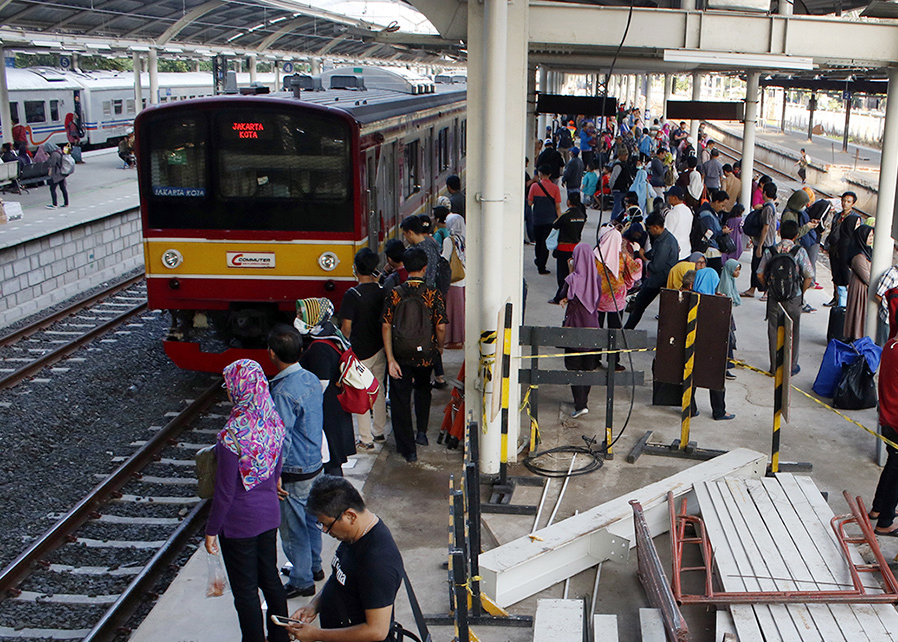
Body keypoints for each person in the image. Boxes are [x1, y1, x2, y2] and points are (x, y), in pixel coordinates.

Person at [204, 359, 289, 642]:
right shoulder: (274, 422)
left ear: (240, 388)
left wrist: (211, 530)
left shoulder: (232, 436)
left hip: (239, 525)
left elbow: (225, 491)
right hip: (269, 516)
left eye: (230, 386)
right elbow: (276, 472)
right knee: (271, 579)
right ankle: (281, 636)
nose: (228, 391)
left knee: (246, 590)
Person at [284, 475, 403, 642]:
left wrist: (316, 635)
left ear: (350, 516)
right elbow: (339, 576)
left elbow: (376, 631)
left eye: (327, 524)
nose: (325, 530)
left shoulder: (378, 562)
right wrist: (314, 606)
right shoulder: (353, 535)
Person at [268, 325, 326, 600]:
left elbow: (282, 437)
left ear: (272, 354)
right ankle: (314, 567)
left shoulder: (282, 392)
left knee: (293, 528)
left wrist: (275, 473)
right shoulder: (311, 379)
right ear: (301, 351)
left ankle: (301, 579)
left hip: (293, 469)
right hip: (315, 461)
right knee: (312, 519)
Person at [382, 247, 448, 463]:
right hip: (425, 354)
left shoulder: (395, 293)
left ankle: (407, 449)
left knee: (400, 398)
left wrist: (390, 359)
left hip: (400, 354)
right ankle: (421, 433)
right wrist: (438, 348)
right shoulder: (433, 294)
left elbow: (386, 326)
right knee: (422, 390)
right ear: (425, 268)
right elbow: (440, 327)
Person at [295, 298, 356, 476]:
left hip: (326, 409)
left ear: (314, 316)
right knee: (334, 456)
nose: (297, 317)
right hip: (335, 405)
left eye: (301, 314)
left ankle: (337, 499)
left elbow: (320, 383)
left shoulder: (318, 347)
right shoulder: (331, 335)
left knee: (330, 459)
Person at [340, 249, 387, 449]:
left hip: (360, 352)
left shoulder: (352, 295)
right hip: (380, 348)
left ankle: (365, 439)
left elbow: (347, 327)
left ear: (356, 269)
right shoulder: (381, 290)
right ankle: (379, 431)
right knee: (378, 389)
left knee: (361, 392)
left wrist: (344, 346)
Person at [758, 220, 813, 376]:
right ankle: (791, 366)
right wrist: (800, 292)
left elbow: (760, 274)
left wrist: (769, 288)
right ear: (796, 235)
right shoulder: (799, 251)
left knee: (773, 330)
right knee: (793, 331)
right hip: (793, 298)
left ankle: (775, 366)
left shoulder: (771, 251)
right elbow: (809, 276)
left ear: (779, 232)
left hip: (775, 298)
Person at [559, 243, 602, 417]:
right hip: (593, 327)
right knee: (587, 366)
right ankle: (583, 400)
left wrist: (571, 270)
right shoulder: (597, 278)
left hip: (575, 327)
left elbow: (561, 295)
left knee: (574, 366)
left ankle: (580, 403)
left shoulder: (573, 280)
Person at [594, 225, 642, 370]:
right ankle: (613, 362)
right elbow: (635, 270)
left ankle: (594, 358)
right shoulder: (622, 256)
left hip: (597, 297)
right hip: (616, 299)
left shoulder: (595, 255)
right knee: (615, 330)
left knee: (597, 329)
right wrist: (638, 254)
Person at [870, 292, 898, 536]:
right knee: (896, 474)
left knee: (892, 465)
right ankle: (885, 522)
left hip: (887, 418)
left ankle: (878, 509)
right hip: (896, 422)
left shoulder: (890, 346)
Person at [691, 268, 735, 420]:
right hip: (712, 349)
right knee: (716, 379)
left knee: (691, 377)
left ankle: (689, 408)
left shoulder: (690, 298)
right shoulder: (717, 303)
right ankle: (719, 411)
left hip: (692, 349)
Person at [624, 212, 679, 329]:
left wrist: (642, 257)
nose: (649, 231)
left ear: (656, 227)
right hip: (658, 278)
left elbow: (655, 267)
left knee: (639, 305)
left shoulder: (665, 243)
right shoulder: (664, 237)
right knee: (639, 304)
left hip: (658, 280)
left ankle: (627, 330)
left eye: (650, 229)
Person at [741, 181, 778, 299]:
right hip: (765, 242)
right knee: (755, 266)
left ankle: (766, 291)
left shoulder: (768, 209)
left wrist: (760, 245)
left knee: (763, 268)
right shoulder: (770, 206)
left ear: (765, 193)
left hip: (766, 243)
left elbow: (766, 227)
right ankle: (752, 288)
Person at [549, 193, 588, 304]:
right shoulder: (582, 215)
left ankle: (560, 297)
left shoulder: (566, 215)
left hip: (563, 248)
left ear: (568, 202)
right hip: (575, 248)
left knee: (562, 275)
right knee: (573, 272)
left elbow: (555, 225)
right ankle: (572, 295)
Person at [823, 192, 859, 307]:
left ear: (853, 204)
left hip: (846, 251)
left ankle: (844, 300)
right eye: (844, 201)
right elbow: (833, 231)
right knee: (835, 274)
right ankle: (836, 297)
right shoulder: (837, 216)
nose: (845, 204)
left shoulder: (854, 218)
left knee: (845, 276)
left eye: (848, 201)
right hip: (835, 249)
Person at [528, 164, 563, 275]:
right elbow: (557, 206)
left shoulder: (534, 186)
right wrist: (560, 219)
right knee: (546, 244)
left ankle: (539, 260)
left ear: (540, 174)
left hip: (537, 219)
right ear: (550, 174)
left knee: (538, 242)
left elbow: (530, 202)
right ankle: (542, 265)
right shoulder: (555, 188)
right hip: (550, 220)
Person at [844, 225, 874, 341]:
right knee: (858, 313)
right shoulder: (858, 256)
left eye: (872, 236)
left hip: (863, 289)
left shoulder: (867, 252)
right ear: (862, 237)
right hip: (860, 289)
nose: (871, 238)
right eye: (869, 236)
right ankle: (856, 337)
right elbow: (867, 278)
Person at [443, 213, 466, 349]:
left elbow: (445, 259)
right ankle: (460, 339)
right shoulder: (465, 238)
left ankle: (453, 340)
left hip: (453, 279)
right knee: (460, 311)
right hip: (464, 278)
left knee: (451, 311)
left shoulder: (449, 240)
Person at [400, 215, 441, 288]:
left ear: (410, 232)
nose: (405, 238)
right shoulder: (430, 242)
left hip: (423, 292)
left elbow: (428, 275)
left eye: (404, 234)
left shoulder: (420, 251)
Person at [718, 258, 742, 380]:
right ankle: (726, 366)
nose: (738, 273)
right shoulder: (725, 284)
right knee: (728, 339)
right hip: (724, 315)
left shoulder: (730, 281)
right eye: (736, 270)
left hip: (728, 314)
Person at [663, 186, 692, 261]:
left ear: (675, 198)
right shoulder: (688, 210)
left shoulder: (672, 214)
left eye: (669, 196)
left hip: (675, 253)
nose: (668, 198)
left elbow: (667, 235)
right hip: (687, 251)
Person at [875, 265, 898, 345]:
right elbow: (878, 295)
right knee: (885, 346)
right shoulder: (891, 274)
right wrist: (888, 309)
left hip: (895, 320)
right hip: (888, 319)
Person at [42, 142, 69, 209]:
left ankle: (54, 204)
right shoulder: (59, 151)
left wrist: (48, 157)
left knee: (52, 188)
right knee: (63, 188)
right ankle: (66, 203)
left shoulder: (54, 154)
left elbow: (52, 163)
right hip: (62, 173)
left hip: (57, 174)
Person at [609, 149, 634, 220]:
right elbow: (613, 178)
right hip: (618, 189)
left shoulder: (625, 164)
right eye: (624, 155)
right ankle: (613, 220)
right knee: (618, 206)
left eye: (626, 155)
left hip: (623, 189)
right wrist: (611, 187)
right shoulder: (618, 166)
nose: (626, 157)